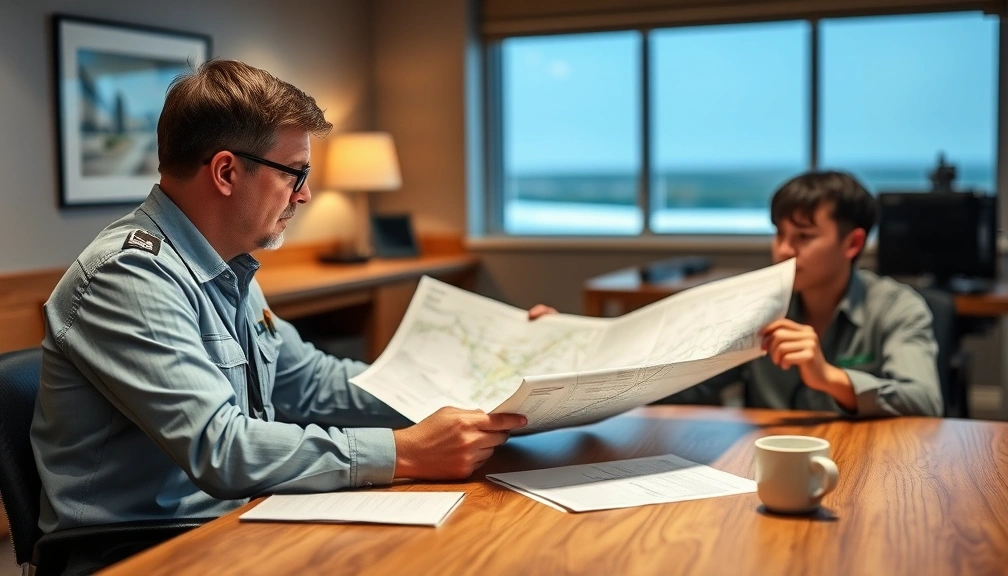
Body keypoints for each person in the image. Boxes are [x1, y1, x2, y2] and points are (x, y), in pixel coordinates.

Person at [30, 59, 526, 554]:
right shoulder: (128, 276)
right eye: (295, 173)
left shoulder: (229, 265)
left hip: (235, 523)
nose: (305, 194)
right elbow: (221, 448)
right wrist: (405, 453)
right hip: (139, 552)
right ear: (226, 171)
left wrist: (476, 389)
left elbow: (313, 382)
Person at [531, 171, 943, 417]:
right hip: (765, 466)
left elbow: (925, 401)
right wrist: (570, 347)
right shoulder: (757, 305)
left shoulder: (897, 307)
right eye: (779, 234)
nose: (783, 250)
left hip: (866, 466)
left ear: (852, 244)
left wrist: (831, 378)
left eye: (803, 236)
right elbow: (686, 382)